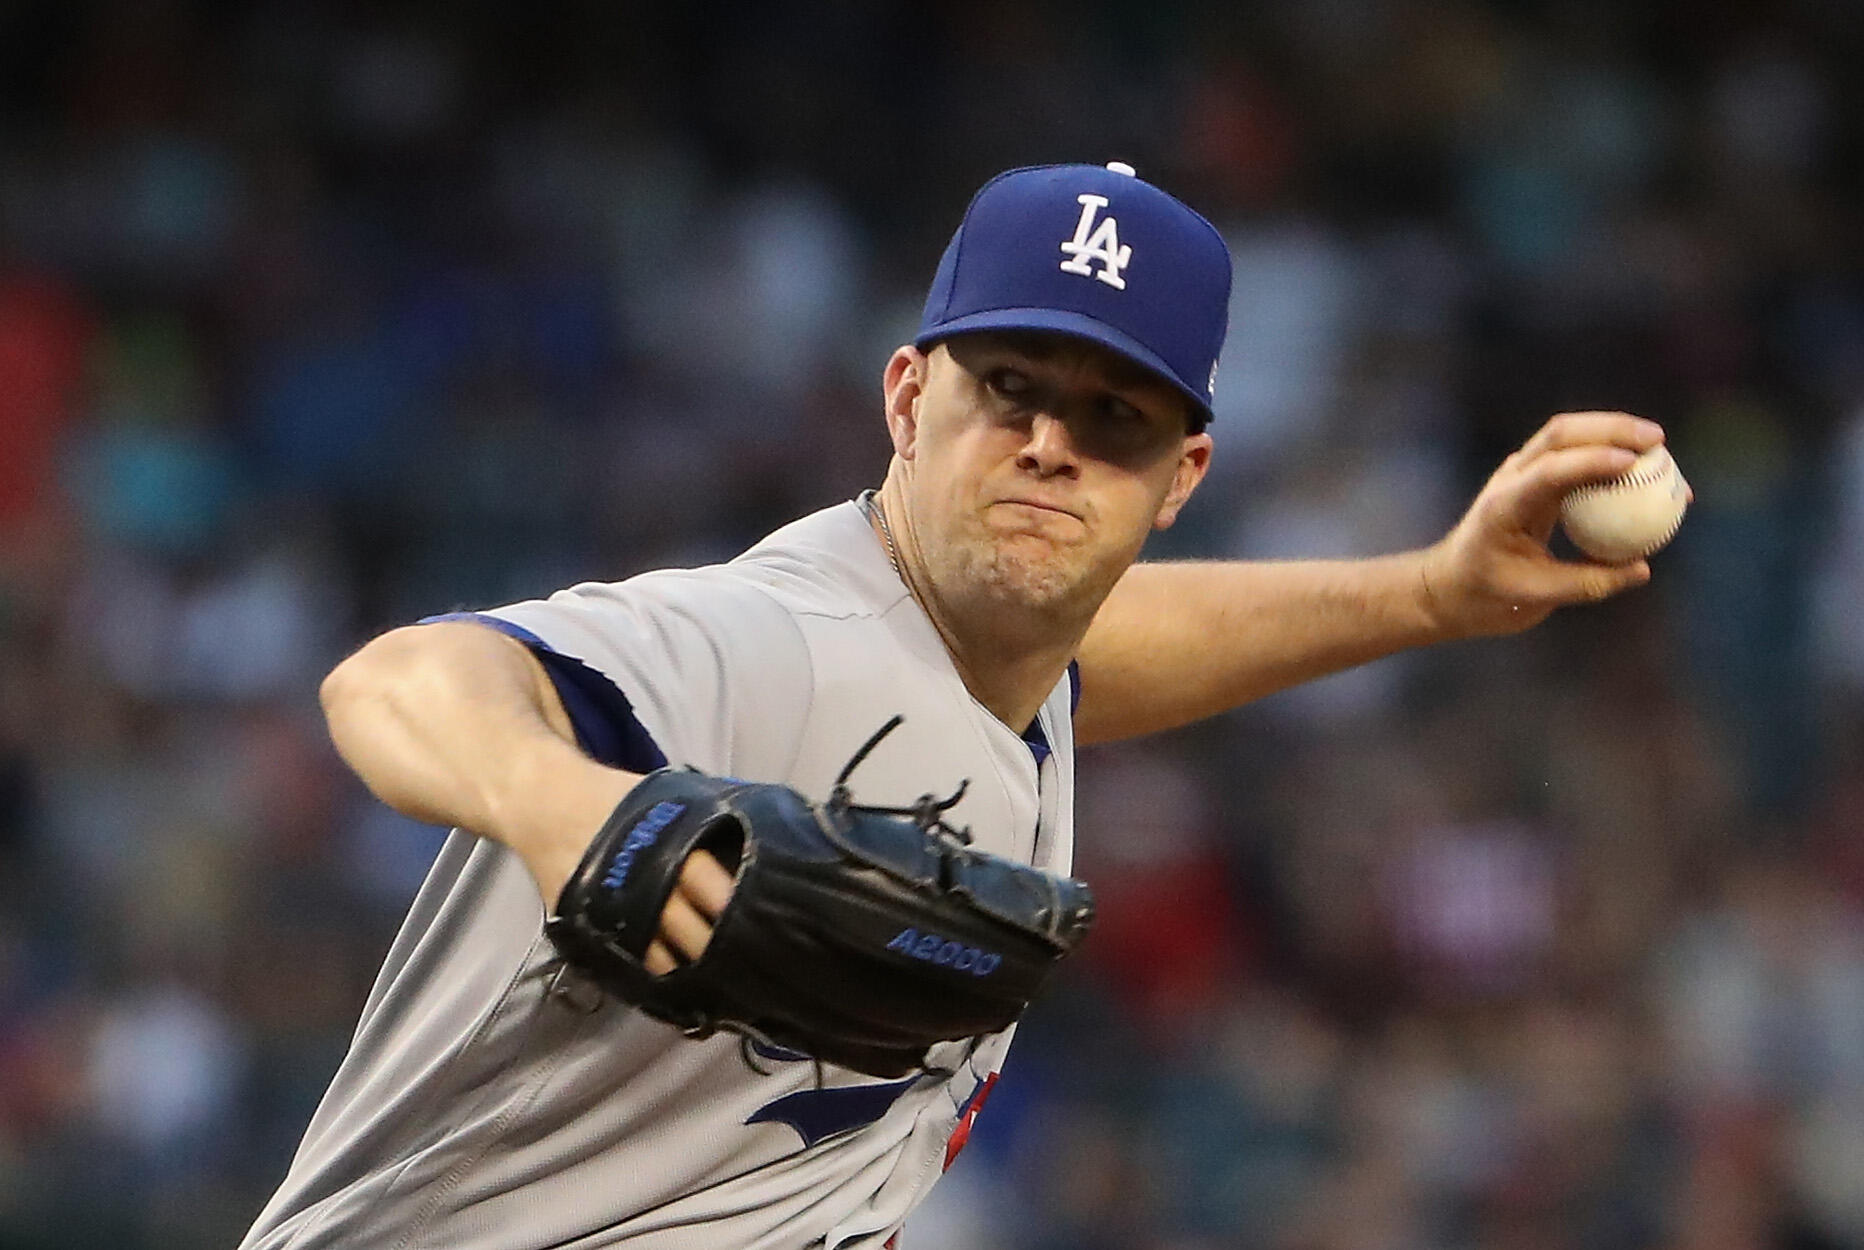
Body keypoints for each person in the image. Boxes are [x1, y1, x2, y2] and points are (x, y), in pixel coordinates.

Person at [239, 162, 1664, 1249]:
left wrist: (1431, 591)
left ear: (1181, 479)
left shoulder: (1007, 650)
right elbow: (397, 678)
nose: (1051, 444)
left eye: (1116, 419)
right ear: (909, 396)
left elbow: (1095, 650)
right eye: (1011, 387)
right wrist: (568, 802)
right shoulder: (781, 639)